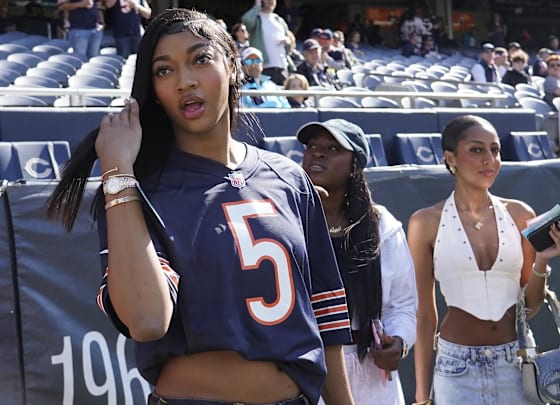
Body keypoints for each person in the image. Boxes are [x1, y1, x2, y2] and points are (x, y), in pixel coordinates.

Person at [46, 8, 356, 405]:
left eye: (200, 59)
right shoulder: (135, 190)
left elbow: (325, 320)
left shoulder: (290, 179)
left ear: (232, 64)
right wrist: (118, 172)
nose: (184, 81)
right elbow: (147, 320)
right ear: (153, 90)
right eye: (164, 70)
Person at [409, 115, 560, 405]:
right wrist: (420, 396)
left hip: (518, 362)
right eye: (477, 150)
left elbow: (529, 308)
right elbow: (425, 315)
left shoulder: (520, 214)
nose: (490, 159)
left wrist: (541, 261)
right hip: (455, 368)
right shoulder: (424, 222)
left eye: (495, 150)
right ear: (450, 158)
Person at [298, 119, 417, 405]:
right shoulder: (286, 220)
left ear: (354, 165)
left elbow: (402, 306)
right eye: (312, 146)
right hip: (305, 369)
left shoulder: (381, 226)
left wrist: (398, 343)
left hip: (369, 370)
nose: (318, 153)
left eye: (333, 148)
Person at [241, 0, 292, 86]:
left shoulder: (279, 20)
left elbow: (290, 40)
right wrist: (257, 6)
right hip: (264, 68)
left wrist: (287, 41)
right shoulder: (256, 18)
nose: (270, 1)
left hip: (282, 68)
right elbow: (246, 20)